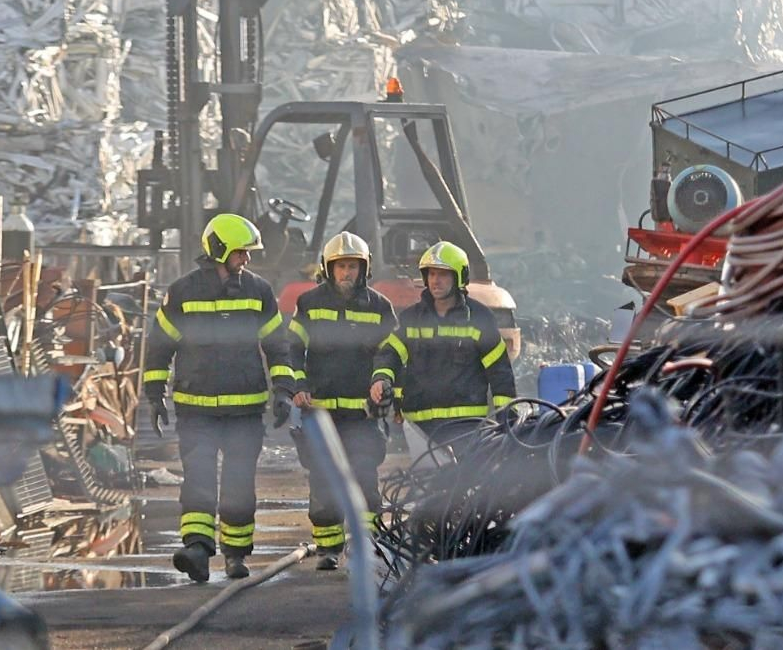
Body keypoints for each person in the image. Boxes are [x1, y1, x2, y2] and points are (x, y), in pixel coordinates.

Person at [144, 213, 292, 583]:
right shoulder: (181, 293)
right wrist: (154, 394)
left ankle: (236, 556)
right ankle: (196, 548)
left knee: (239, 484)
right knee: (198, 479)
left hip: (245, 409)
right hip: (196, 410)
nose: (246, 260)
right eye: (241, 253)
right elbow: (160, 347)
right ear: (220, 250)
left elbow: (277, 346)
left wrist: (284, 390)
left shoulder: (259, 291)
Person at [280, 231, 398, 570]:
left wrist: (382, 380)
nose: (347, 273)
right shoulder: (310, 304)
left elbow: (391, 353)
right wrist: (298, 384)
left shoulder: (379, 307)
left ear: (364, 269)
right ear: (328, 269)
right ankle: (329, 549)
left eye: (352, 266)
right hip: (321, 412)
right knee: (323, 479)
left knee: (364, 479)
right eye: (341, 266)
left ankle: (367, 545)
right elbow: (293, 349)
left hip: (363, 414)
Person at [371, 240, 514, 446]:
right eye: (431, 274)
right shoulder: (411, 319)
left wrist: (507, 422)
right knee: (423, 479)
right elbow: (389, 353)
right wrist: (381, 378)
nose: (435, 281)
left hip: (465, 427)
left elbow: (500, 373)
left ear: (459, 277)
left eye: (443, 274)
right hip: (419, 428)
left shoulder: (480, 319)